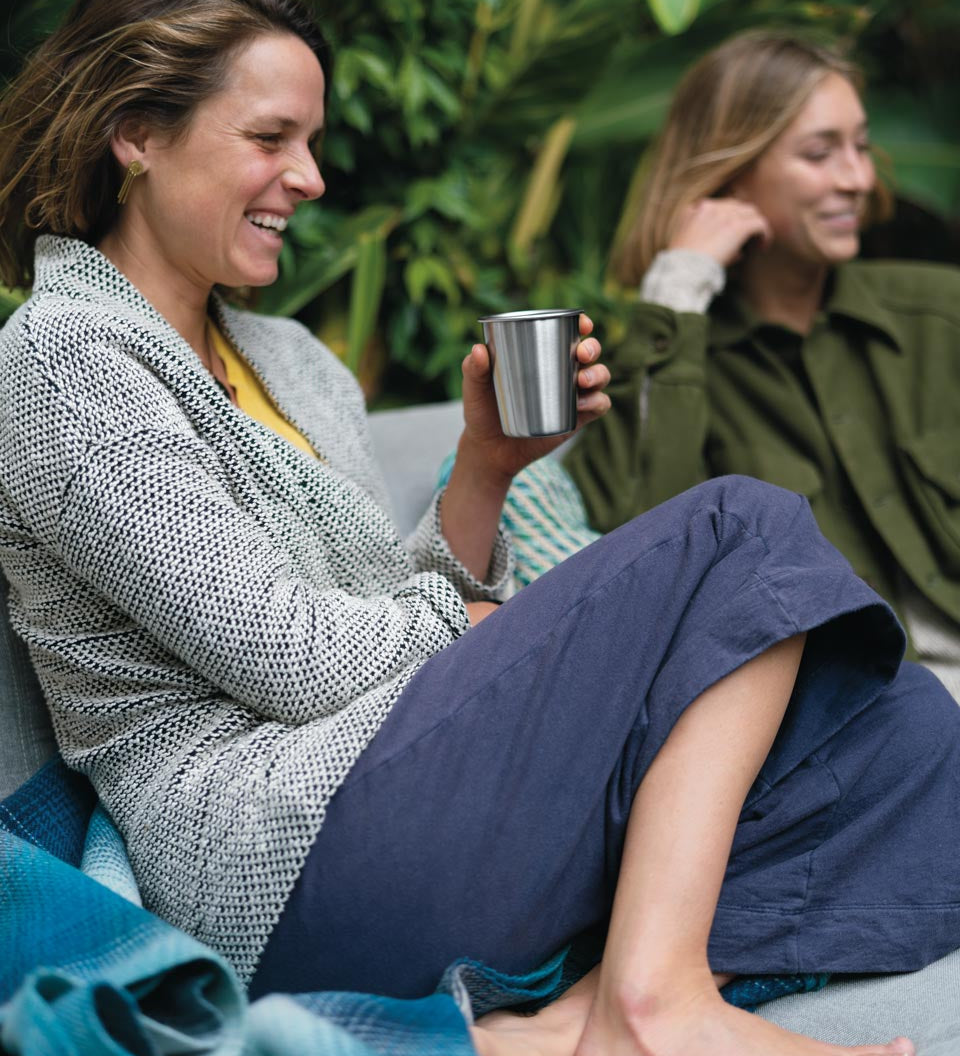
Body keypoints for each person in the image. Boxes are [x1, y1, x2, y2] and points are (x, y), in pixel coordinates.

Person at [0, 5, 956, 1055]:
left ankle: (593, 1014)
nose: (311, 178)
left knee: (906, 723)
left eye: (312, 144)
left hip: (406, 782)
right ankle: (658, 1003)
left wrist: (488, 470)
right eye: (272, 139)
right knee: (744, 526)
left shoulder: (293, 360)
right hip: (273, 853)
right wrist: (477, 617)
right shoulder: (64, 362)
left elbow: (369, 610)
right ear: (136, 132)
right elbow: (293, 659)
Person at [565, 29, 960, 705]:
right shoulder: (677, 369)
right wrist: (678, 286)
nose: (858, 179)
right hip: (862, 717)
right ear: (732, 171)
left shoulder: (941, 314)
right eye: (819, 153)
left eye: (861, 147)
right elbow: (639, 545)